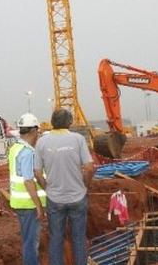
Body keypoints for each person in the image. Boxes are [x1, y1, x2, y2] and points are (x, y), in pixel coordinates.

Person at [34, 109, 94, 265]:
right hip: (77, 197)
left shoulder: (42, 142)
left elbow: (37, 171)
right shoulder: (78, 139)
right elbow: (89, 167)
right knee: (79, 238)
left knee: (56, 238)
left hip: (55, 199)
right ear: (69, 122)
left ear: (53, 122)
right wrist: (84, 186)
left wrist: (47, 188)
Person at [8, 113, 47, 265]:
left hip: (19, 204)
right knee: (31, 243)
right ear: (33, 131)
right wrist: (39, 206)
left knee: (27, 240)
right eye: (38, 131)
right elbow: (28, 180)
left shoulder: (15, 148)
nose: (38, 134)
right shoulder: (28, 152)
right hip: (29, 205)